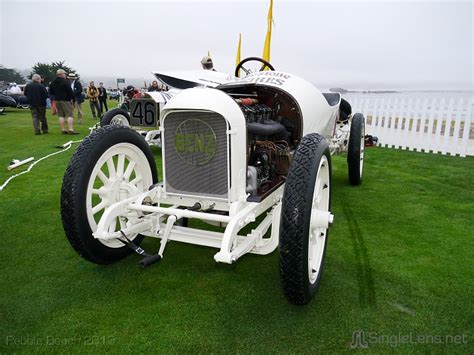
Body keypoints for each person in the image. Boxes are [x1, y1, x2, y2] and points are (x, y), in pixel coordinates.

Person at [49, 69, 78, 134]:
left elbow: (51, 92)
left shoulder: (53, 82)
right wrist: (73, 99)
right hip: (65, 100)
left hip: (57, 100)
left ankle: (63, 129)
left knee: (61, 115)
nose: (65, 75)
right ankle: (70, 129)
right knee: (69, 115)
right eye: (65, 74)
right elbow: (70, 91)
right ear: (62, 74)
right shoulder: (65, 82)